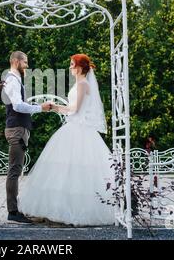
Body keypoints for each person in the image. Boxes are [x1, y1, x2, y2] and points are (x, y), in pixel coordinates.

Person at [17, 54, 115, 226]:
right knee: (63, 170)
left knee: (75, 171)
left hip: (79, 130)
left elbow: (75, 109)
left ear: (79, 67)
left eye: (72, 64)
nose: (70, 67)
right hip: (74, 127)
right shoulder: (80, 84)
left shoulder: (83, 84)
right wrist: (56, 108)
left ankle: (75, 211)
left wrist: (55, 107)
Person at [2, 51, 51, 223]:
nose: (27, 65)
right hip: (16, 130)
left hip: (18, 129)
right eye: (25, 62)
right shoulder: (13, 80)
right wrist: (40, 108)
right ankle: (13, 212)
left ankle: (14, 209)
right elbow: (17, 106)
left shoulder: (15, 79)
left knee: (16, 169)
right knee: (14, 170)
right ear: (16, 61)